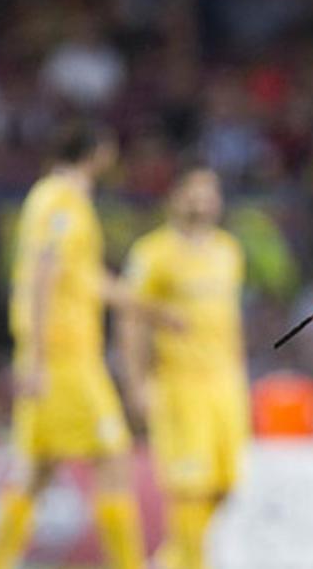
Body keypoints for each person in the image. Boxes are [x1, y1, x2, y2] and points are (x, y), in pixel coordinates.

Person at [0, 123, 145, 569]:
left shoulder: (59, 198)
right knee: (113, 455)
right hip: (64, 357)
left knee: (36, 470)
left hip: (65, 353)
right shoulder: (60, 199)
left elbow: (82, 278)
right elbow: (45, 272)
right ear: (98, 151)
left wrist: (148, 305)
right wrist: (35, 357)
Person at [120, 166, 249, 569]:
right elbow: (131, 321)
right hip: (180, 385)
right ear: (175, 197)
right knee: (189, 490)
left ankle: (168, 561)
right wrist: (137, 384)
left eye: (209, 192)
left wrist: (241, 375)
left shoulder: (229, 250)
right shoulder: (151, 253)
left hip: (226, 385)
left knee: (226, 486)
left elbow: (232, 319)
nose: (203, 199)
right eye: (194, 191)